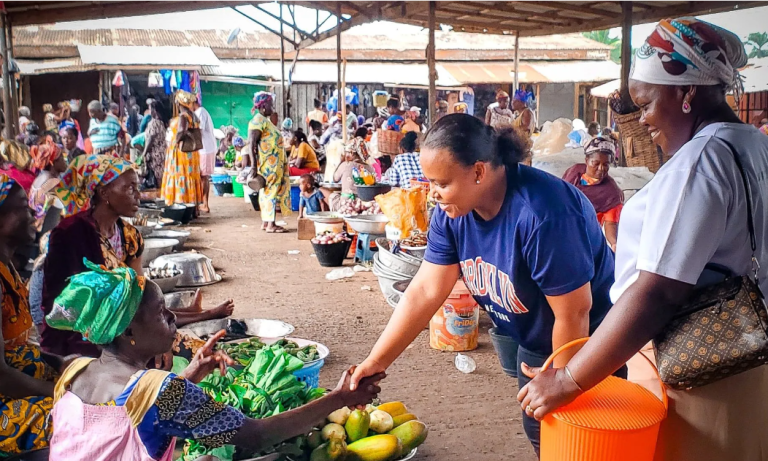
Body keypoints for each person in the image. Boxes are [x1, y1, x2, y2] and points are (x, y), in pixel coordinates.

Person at [518, 18, 768, 461]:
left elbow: (657, 291)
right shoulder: (752, 144)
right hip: (745, 355)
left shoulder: (700, 162)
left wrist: (570, 379)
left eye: (647, 103)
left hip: (698, 367)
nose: (643, 119)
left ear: (686, 92)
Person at [350, 114, 618, 456]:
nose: (433, 194)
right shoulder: (452, 214)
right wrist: (377, 361)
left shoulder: (544, 214)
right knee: (543, 435)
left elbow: (575, 313)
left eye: (441, 183)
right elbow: (426, 290)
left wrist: (565, 379)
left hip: (587, 345)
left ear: (478, 172)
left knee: (583, 443)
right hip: (538, 341)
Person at [46, 263, 385, 461]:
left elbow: (136, 411)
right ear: (129, 330)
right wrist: (339, 398)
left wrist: (192, 371)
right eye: (161, 313)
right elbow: (253, 436)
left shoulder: (76, 370)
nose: (173, 318)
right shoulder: (161, 391)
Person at [41, 154, 232, 358]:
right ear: (104, 192)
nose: (138, 195)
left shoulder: (129, 235)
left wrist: (155, 334)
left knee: (208, 353)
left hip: (126, 330)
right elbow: (80, 308)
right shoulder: (72, 233)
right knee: (191, 358)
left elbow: (140, 297)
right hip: (82, 338)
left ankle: (199, 315)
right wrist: (151, 340)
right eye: (129, 188)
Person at [0, 174, 62, 458]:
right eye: (22, 207)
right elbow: (1, 376)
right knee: (76, 419)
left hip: (18, 379)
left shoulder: (8, 269)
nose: (32, 215)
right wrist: (62, 393)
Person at [562, 138, 623, 251]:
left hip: (586, 238)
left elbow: (611, 223)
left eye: (606, 164)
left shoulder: (611, 193)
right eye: (596, 163)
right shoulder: (573, 172)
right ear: (586, 161)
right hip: (562, 228)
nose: (601, 168)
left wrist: (614, 243)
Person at [247, 92, 291, 233]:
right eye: (271, 104)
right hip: (268, 164)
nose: (273, 107)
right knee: (270, 192)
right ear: (264, 106)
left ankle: (266, 223)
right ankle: (271, 224)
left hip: (272, 164)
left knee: (267, 192)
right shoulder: (258, 121)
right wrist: (253, 165)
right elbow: (251, 144)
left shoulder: (264, 121)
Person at [161, 90, 203, 208]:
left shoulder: (183, 117)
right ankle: (192, 208)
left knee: (180, 175)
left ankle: (181, 205)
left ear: (179, 104)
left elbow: (181, 131)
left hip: (181, 153)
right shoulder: (193, 116)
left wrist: (175, 142)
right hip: (191, 153)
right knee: (190, 176)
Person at [323, 138, 376, 212]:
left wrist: (341, 162)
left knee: (321, 191)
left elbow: (335, 179)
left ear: (352, 153)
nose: (345, 154)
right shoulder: (370, 168)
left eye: (347, 152)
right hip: (364, 205)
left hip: (346, 205)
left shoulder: (345, 164)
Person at [28, 138, 66, 233]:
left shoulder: (40, 178)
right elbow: (63, 210)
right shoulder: (52, 181)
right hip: (46, 233)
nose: (64, 160)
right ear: (53, 162)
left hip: (35, 230)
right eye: (61, 157)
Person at [193, 99, 216, 213]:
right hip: (204, 149)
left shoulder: (200, 111)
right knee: (202, 177)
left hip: (205, 149)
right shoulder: (200, 112)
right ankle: (202, 203)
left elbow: (198, 130)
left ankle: (205, 204)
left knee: (203, 177)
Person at [140, 99, 167, 190]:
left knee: (157, 178)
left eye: (150, 108)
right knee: (161, 177)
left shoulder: (154, 123)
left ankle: (160, 198)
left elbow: (150, 140)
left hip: (155, 155)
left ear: (154, 110)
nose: (149, 111)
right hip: (162, 153)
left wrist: (143, 154)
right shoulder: (161, 122)